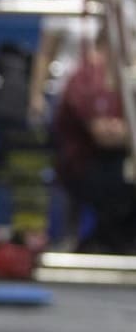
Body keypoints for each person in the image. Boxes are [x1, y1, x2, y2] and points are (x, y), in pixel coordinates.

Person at [53, 22, 136, 253]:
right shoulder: (86, 79)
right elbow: (104, 136)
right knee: (120, 180)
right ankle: (107, 242)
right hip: (85, 166)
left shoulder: (125, 79)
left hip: (116, 161)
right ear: (105, 46)